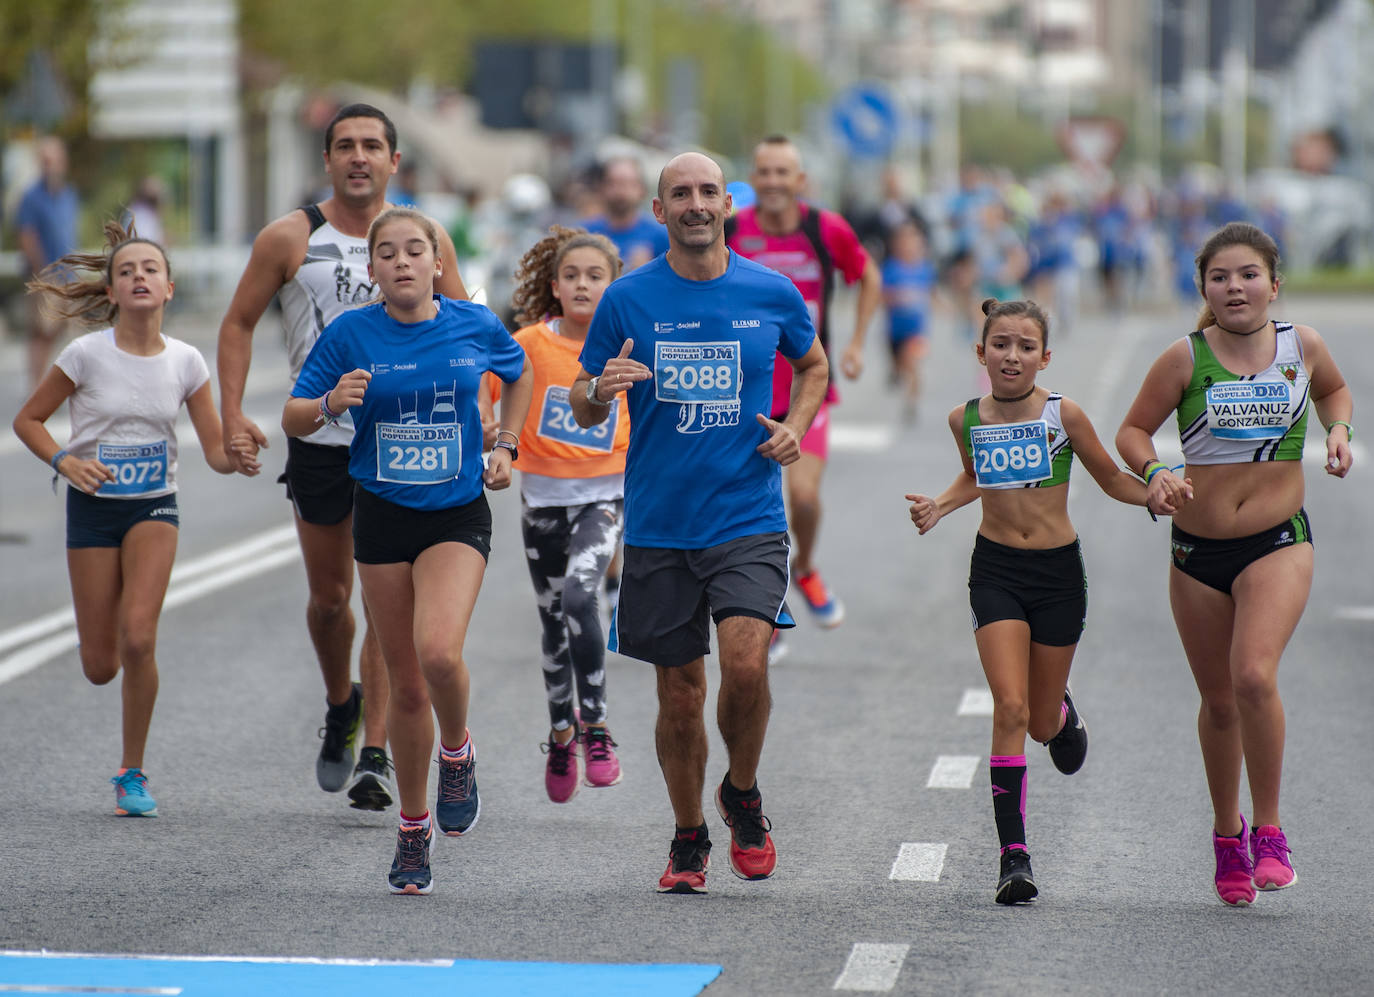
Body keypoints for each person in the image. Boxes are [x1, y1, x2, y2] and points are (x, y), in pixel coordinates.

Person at [571, 152, 829, 894]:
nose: (695, 204)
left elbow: (811, 367)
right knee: (679, 692)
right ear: (658, 211)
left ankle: (741, 792)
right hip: (658, 523)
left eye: (707, 191)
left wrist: (796, 428)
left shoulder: (770, 291)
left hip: (746, 513)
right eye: (679, 193)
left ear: (727, 206)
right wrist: (599, 390)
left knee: (746, 664)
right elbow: (586, 397)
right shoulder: (627, 300)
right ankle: (689, 834)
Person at [217, 103, 468, 812]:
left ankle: (378, 752)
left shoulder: (424, 237)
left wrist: (483, 424)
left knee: (391, 606)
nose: (359, 157)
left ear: (395, 161)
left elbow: (467, 331)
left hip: (406, 450)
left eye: (373, 146)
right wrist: (233, 413)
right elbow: (237, 322)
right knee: (331, 602)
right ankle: (341, 704)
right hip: (321, 442)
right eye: (346, 146)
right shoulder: (290, 236)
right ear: (327, 160)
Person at [282, 207, 531, 895]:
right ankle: (414, 828)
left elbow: (521, 372)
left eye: (413, 250)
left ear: (435, 262)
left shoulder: (472, 324)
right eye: (385, 252)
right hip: (383, 517)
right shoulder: (350, 333)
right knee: (406, 681)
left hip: (455, 513)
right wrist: (332, 399)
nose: (400, 262)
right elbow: (294, 416)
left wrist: (506, 445)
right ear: (371, 270)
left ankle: (459, 750)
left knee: (439, 653)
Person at [1116, 222, 1352, 907]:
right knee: (1219, 701)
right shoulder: (1184, 358)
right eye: (1219, 277)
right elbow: (1132, 431)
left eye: (1248, 274)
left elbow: (1335, 391)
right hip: (1196, 551)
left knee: (1253, 676)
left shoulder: (1300, 346)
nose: (1234, 287)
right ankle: (1228, 835)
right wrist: (1156, 471)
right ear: (1204, 289)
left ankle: (1271, 830)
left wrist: (1338, 430)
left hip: (1279, 538)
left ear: (1274, 284)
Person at [905, 298, 1156, 904]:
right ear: (981, 352)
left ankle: (1062, 713)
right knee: (1010, 708)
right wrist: (941, 503)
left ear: (1044, 357)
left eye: (1024, 347)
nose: (1011, 356)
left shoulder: (1063, 414)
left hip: (1057, 573)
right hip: (995, 570)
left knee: (1041, 721)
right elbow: (976, 475)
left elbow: (1110, 476)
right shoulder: (964, 418)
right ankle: (1013, 857)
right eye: (1000, 345)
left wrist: (1154, 494)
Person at [12, 222, 260, 817]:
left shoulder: (186, 361)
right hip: (93, 512)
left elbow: (217, 453)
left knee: (140, 637)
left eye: (150, 269)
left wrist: (240, 451)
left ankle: (131, 772)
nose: (139, 277)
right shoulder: (84, 355)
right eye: (126, 272)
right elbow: (28, 421)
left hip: (154, 507)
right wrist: (65, 461)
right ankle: (108, 643)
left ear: (169, 288)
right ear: (114, 293)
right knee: (101, 666)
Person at [486, 227, 630, 803]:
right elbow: (487, 390)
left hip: (604, 494)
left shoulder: (627, 345)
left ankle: (595, 724)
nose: (582, 285)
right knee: (551, 619)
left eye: (596, 276)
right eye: (571, 276)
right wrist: (492, 439)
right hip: (542, 498)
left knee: (578, 598)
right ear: (553, 286)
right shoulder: (527, 343)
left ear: (614, 288)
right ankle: (561, 730)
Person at [725, 134, 880, 660]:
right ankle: (763, 611)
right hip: (740, 392)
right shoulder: (732, 231)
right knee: (748, 509)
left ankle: (805, 569)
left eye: (781, 173)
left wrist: (856, 343)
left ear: (800, 181)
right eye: (763, 172)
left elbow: (868, 276)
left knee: (804, 498)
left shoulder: (824, 228)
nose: (772, 182)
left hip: (807, 390)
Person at [16, 136, 81, 390]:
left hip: (67, 273)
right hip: (45, 273)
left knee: (63, 331)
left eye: (53, 160)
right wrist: (41, 271)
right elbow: (26, 235)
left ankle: (57, 386)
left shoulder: (69, 194)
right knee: (41, 332)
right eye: (44, 160)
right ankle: (36, 387)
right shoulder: (32, 197)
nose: (49, 166)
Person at [881, 219, 937, 425]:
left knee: (912, 364)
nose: (909, 246)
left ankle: (911, 402)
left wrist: (943, 306)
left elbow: (931, 292)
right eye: (904, 242)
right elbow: (882, 296)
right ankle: (894, 371)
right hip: (895, 330)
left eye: (914, 242)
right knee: (899, 366)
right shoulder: (891, 269)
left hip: (916, 330)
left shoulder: (924, 269)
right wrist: (897, 297)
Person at [584, 156, 669, 272]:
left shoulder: (662, 235)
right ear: (601, 188)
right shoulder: (586, 234)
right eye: (613, 183)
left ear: (642, 189)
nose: (620, 191)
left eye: (628, 183)